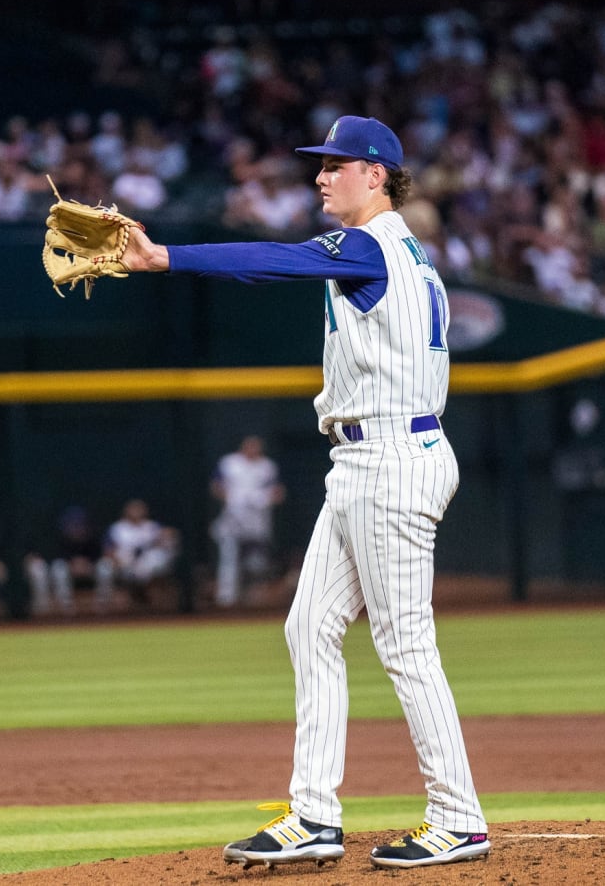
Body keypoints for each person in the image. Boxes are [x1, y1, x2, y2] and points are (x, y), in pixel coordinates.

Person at [121, 115, 490, 870]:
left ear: (376, 175)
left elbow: (272, 261)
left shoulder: (371, 245)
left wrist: (166, 256)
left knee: (405, 642)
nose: (321, 176)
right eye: (320, 165)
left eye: (337, 165)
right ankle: (315, 815)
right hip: (366, 458)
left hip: (391, 454)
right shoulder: (409, 256)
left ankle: (458, 817)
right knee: (308, 628)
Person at [209, 434, 285, 608]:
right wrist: (231, 498)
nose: (253, 450)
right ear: (243, 447)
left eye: (256, 447)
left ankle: (256, 600)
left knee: (257, 563)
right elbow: (215, 486)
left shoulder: (267, 466)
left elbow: (279, 492)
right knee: (228, 558)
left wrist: (263, 499)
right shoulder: (230, 463)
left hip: (258, 520)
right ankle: (226, 600)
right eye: (250, 446)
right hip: (233, 517)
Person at [24, 506, 115, 615]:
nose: (77, 528)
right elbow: (54, 558)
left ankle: (103, 606)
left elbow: (100, 555)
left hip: (89, 568)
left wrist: (88, 564)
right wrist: (72, 564)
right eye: (73, 525)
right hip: (68, 569)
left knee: (105, 567)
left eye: (80, 525)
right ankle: (65, 607)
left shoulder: (93, 537)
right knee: (59, 568)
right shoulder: (60, 539)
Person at [103, 498, 179, 606]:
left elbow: (169, 538)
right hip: (125, 563)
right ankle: (106, 603)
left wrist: (167, 534)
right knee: (105, 566)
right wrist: (116, 561)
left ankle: (156, 597)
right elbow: (108, 549)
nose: (136, 512)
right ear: (126, 511)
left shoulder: (151, 526)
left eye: (139, 509)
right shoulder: (117, 527)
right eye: (133, 509)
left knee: (158, 556)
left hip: (146, 564)